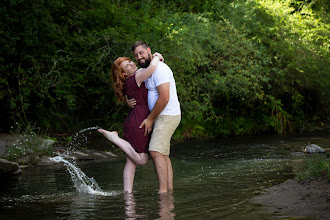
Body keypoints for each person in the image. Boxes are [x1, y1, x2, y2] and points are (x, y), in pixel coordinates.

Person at [98, 52, 163, 193]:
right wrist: (157, 57)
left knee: (131, 161)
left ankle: (128, 196)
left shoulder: (134, 77)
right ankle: (114, 138)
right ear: (124, 74)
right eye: (128, 65)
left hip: (134, 119)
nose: (133, 63)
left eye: (130, 61)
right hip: (140, 121)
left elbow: (145, 68)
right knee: (141, 160)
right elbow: (151, 68)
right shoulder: (135, 78)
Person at [131, 41, 181, 194]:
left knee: (155, 151)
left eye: (142, 53)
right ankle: (169, 191)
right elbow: (130, 84)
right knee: (162, 154)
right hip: (161, 115)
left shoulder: (160, 69)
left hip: (167, 114)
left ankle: (163, 192)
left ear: (149, 51)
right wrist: (128, 101)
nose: (139, 57)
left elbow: (164, 98)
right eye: (136, 55)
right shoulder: (146, 70)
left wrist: (150, 119)